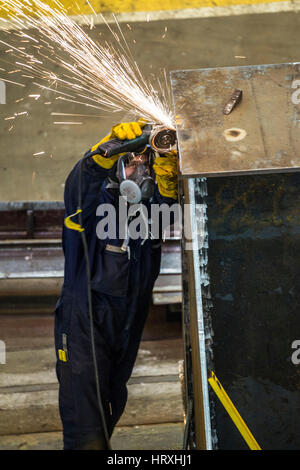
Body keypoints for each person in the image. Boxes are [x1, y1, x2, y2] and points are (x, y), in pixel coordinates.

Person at [54, 120, 178, 450]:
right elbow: (77, 188)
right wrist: (102, 153)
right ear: (119, 166)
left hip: (127, 321)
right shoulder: (92, 206)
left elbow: (170, 209)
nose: (140, 169)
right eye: (132, 161)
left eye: (146, 162)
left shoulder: (150, 214)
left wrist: (168, 173)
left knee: (110, 404)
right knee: (86, 423)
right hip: (85, 321)